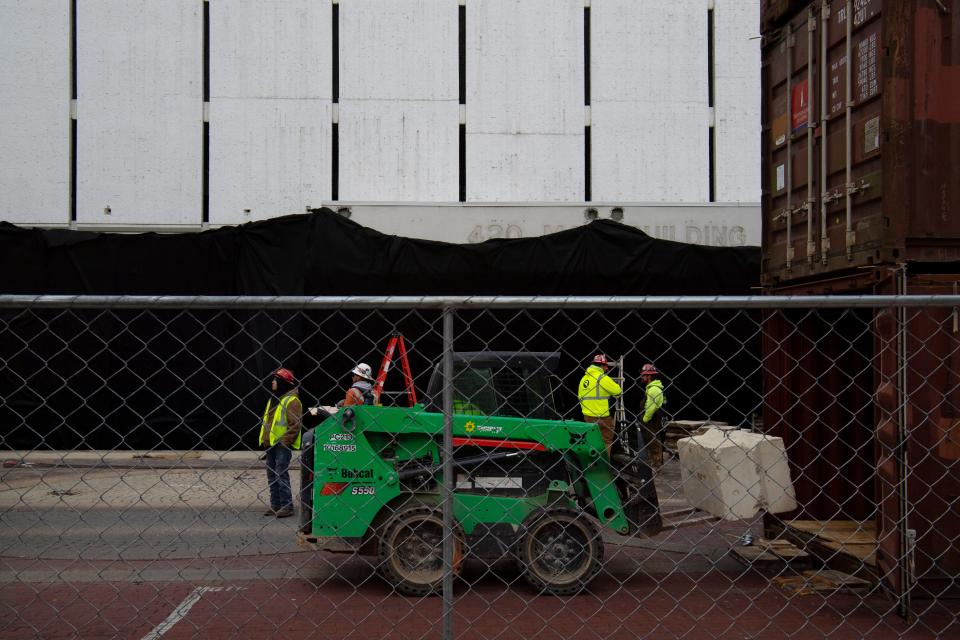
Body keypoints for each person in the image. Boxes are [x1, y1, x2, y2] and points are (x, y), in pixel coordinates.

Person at [259, 367, 302, 518]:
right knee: (272, 475)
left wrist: (284, 442)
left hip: (282, 446)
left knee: (280, 474)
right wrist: (266, 440)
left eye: (275, 380)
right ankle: (276, 505)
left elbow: (295, 426)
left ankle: (286, 506)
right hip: (271, 444)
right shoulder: (274, 399)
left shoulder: (291, 401)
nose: (272, 382)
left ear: (282, 383)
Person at [578, 354, 622, 455]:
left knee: (591, 442)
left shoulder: (583, 379)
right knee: (606, 442)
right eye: (605, 366)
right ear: (601, 366)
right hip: (603, 417)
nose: (607, 368)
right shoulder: (602, 378)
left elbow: (580, 398)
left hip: (587, 417)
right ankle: (604, 467)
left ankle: (592, 466)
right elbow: (618, 391)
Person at [639, 363, 666, 467]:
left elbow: (651, 407)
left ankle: (656, 464)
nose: (642, 377)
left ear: (649, 376)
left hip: (652, 419)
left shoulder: (654, 389)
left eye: (643, 375)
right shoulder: (650, 388)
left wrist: (645, 419)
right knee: (652, 442)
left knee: (654, 442)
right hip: (651, 419)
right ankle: (655, 462)